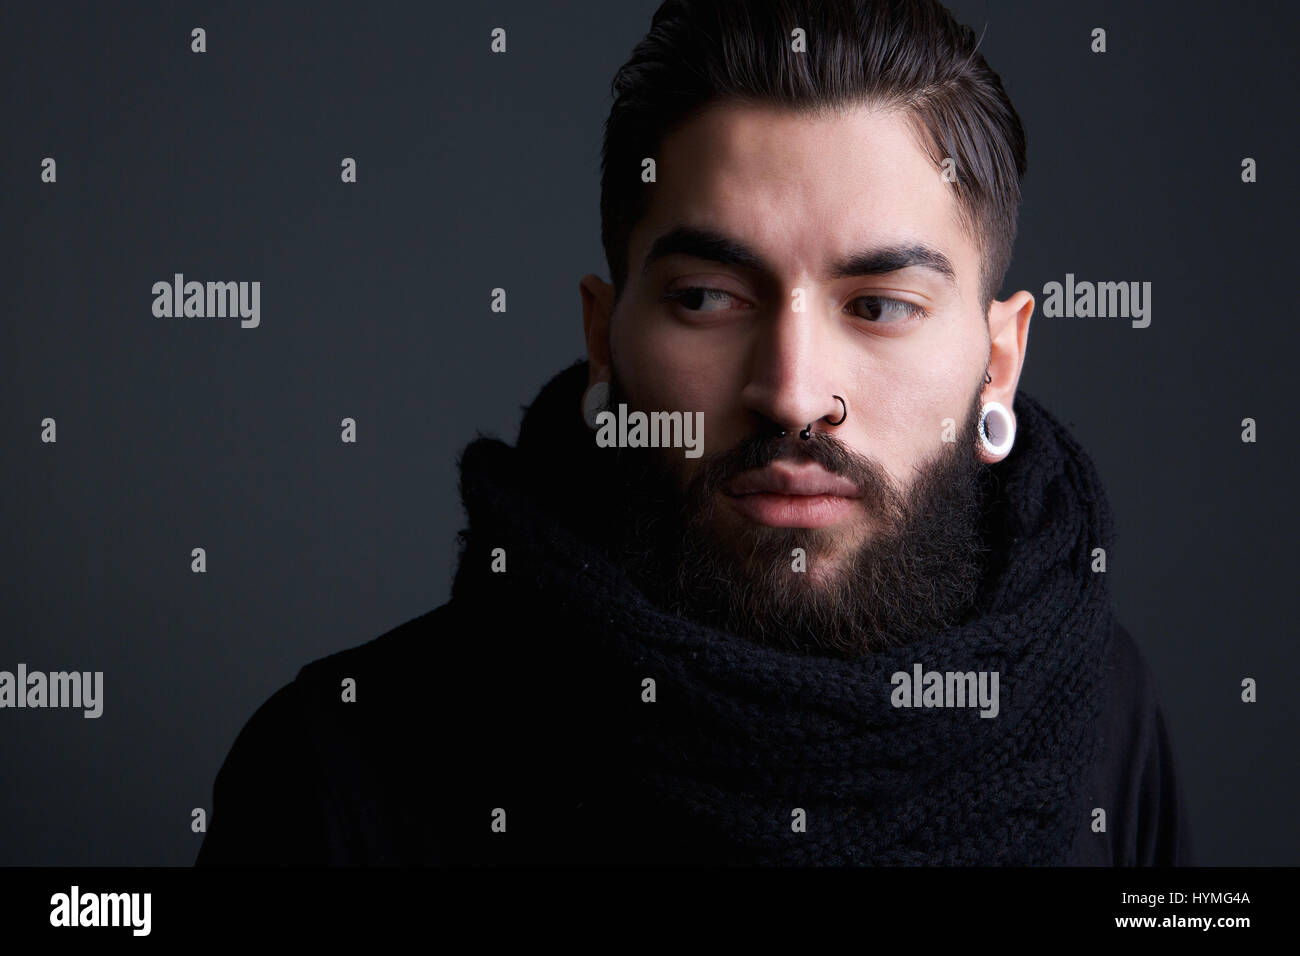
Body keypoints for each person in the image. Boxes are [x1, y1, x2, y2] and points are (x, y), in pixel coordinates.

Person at [196, 0, 1193, 867]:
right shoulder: (336, 766)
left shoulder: (1103, 715)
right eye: (709, 296)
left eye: (880, 304)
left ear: (998, 361)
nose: (794, 394)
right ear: (604, 339)